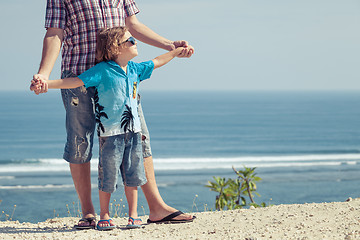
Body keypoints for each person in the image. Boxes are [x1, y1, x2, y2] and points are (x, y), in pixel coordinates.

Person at [31, 0, 195, 229]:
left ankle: (156, 207)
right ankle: (88, 212)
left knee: (138, 138)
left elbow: (133, 24)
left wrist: (170, 45)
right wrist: (43, 75)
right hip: (79, 74)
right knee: (80, 142)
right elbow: (54, 33)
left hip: (120, 77)